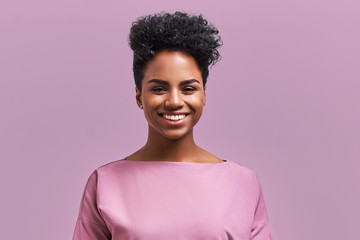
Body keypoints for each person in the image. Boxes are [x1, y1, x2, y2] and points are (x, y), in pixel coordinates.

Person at [73, 11, 273, 240]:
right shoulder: (104, 183)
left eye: (188, 88)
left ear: (204, 95)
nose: (175, 102)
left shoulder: (243, 183)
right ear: (139, 96)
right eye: (159, 88)